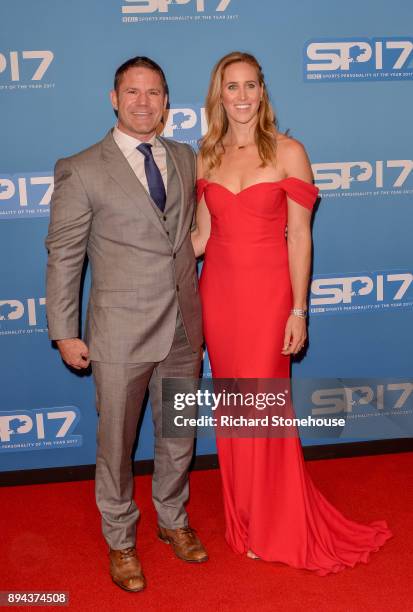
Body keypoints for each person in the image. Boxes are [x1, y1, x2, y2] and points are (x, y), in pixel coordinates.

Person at [191, 51, 392, 575]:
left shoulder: (288, 151)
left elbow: (300, 235)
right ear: (218, 96)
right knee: (233, 405)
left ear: (263, 91)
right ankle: (246, 517)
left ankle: (277, 522)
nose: (241, 96)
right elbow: (201, 239)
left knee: (264, 403)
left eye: (250, 85)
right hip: (218, 294)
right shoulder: (204, 156)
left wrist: (300, 309)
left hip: (268, 295)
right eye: (230, 87)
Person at [45, 56, 208, 593]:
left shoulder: (185, 157)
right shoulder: (82, 166)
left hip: (184, 325)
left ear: (167, 101)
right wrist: (65, 330)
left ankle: (172, 519)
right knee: (116, 444)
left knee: (178, 435)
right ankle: (120, 539)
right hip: (118, 332)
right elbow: (65, 254)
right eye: (133, 92)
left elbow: (188, 236)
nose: (144, 102)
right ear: (114, 99)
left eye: (154, 93)